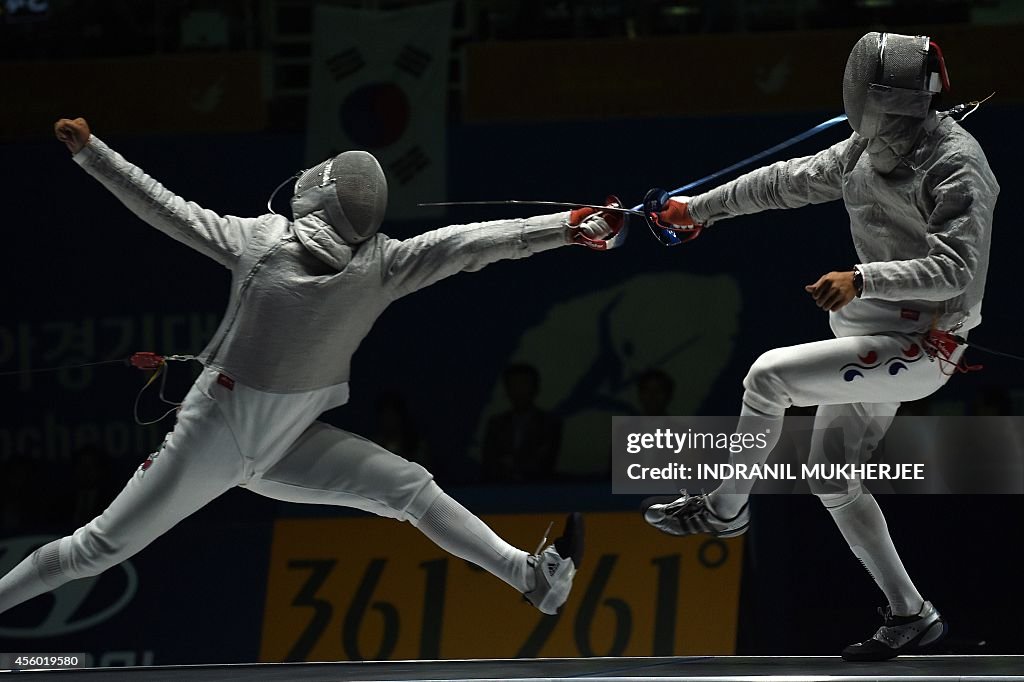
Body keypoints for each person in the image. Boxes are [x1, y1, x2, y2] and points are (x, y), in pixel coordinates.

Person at [0, 117, 624, 621]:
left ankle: (529, 576)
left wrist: (93, 154)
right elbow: (479, 242)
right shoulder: (386, 261)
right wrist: (572, 227)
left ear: (315, 193)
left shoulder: (259, 241)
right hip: (223, 436)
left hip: (271, 435)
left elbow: (164, 208)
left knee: (407, 486)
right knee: (98, 547)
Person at [643, 32, 997, 661]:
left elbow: (958, 269)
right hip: (871, 335)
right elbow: (784, 181)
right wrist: (698, 210)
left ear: (904, 103)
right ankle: (911, 613)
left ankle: (726, 509)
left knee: (768, 378)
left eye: (877, 101)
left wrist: (864, 278)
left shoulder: (957, 164)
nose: (866, 110)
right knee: (832, 476)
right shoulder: (865, 148)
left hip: (923, 344)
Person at [481, 363, 562, 483]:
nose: (518, 391)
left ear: (535, 388)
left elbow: (545, 461)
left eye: (523, 384)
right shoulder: (496, 423)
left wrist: (515, 463)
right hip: (498, 489)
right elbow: (489, 461)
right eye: (513, 385)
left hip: (538, 488)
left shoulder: (549, 423)